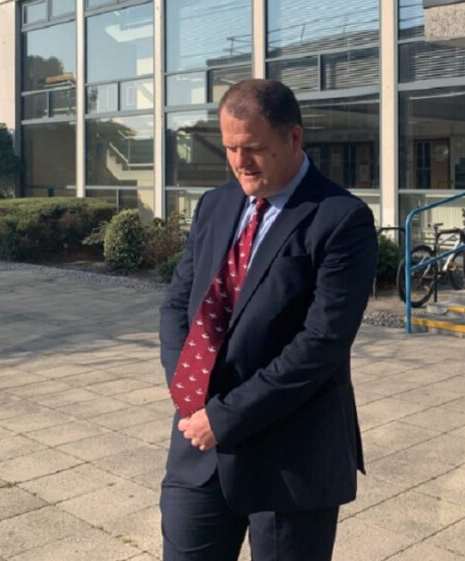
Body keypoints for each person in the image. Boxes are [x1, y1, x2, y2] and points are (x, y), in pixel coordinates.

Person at [158, 79, 376, 561]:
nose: (239, 162)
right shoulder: (215, 205)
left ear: (294, 139)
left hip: (290, 461)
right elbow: (178, 305)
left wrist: (225, 415)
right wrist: (188, 393)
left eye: (253, 148)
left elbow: (320, 343)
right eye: (230, 148)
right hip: (200, 453)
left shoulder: (341, 219)